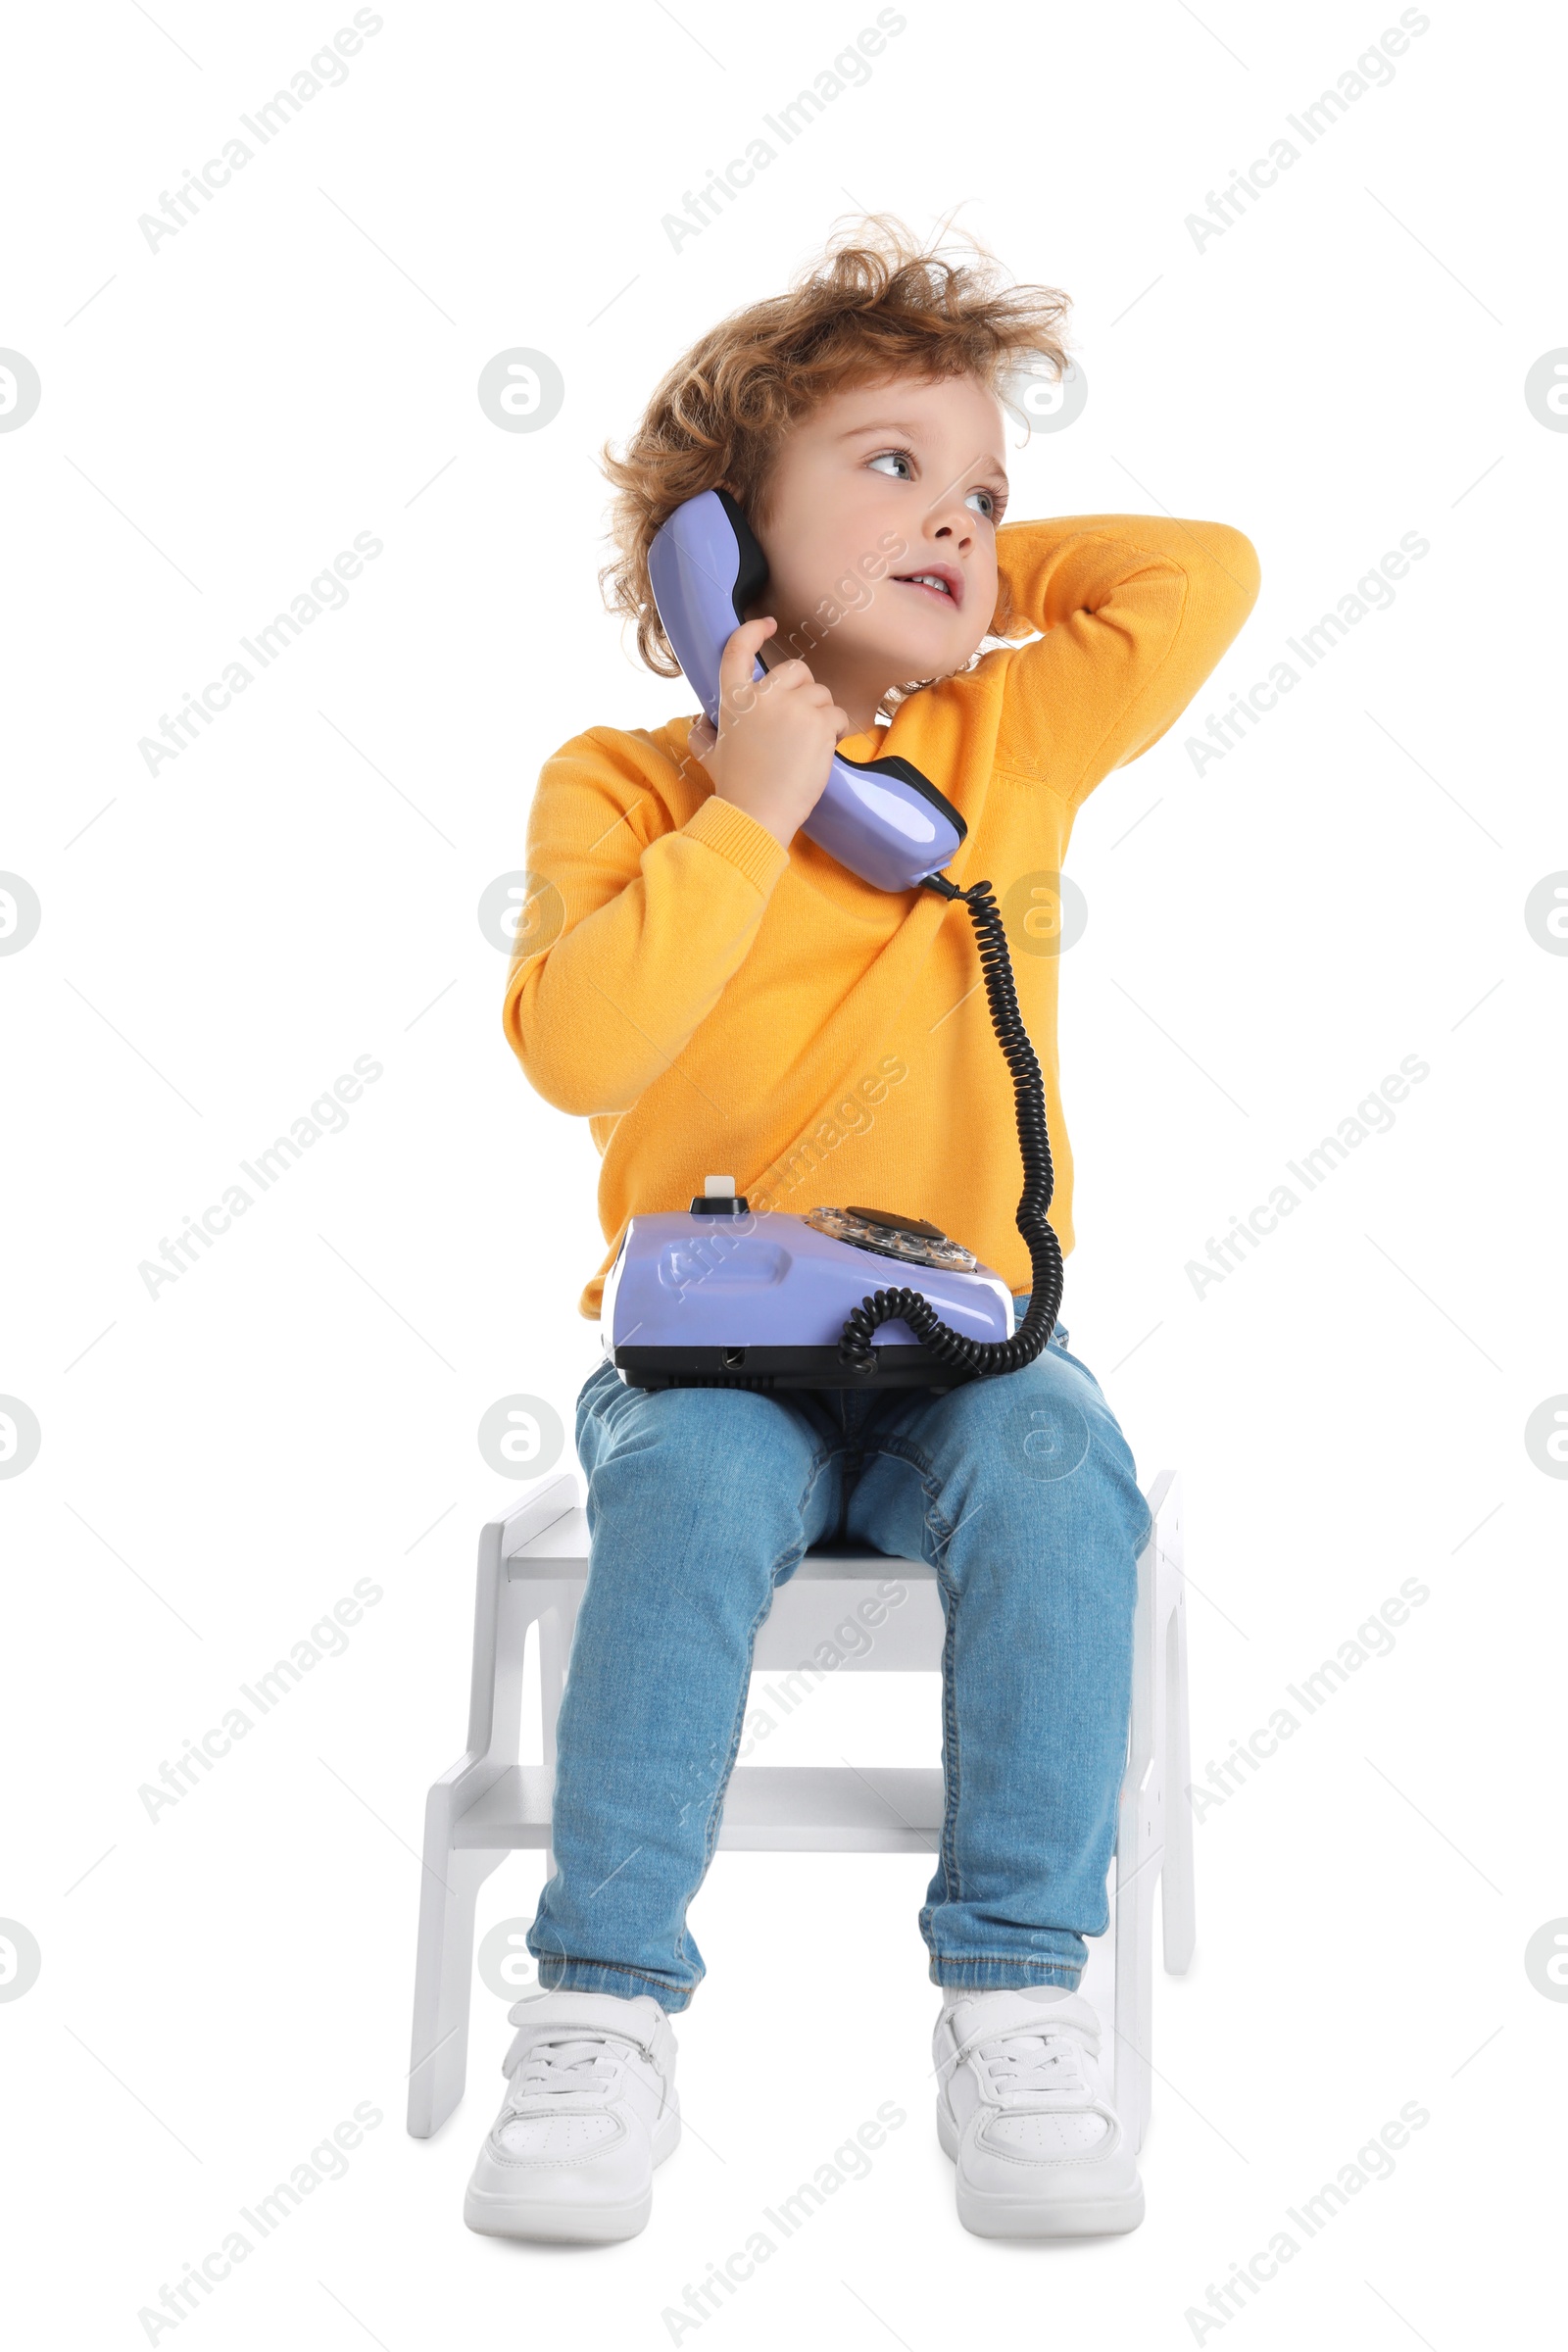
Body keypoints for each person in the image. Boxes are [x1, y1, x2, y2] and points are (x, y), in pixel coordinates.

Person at [465, 217, 1259, 2246]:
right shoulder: (625, 787)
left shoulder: (1006, 744)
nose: (964, 519)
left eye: (984, 492)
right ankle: (599, 2009)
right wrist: (749, 799)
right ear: (709, 546)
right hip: (716, 1363)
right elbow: (578, 1045)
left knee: (1064, 1467)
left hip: (962, 1353)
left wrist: (966, 590)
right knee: (694, 1492)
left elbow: (1202, 575)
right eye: (888, 467)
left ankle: (1015, 1994)